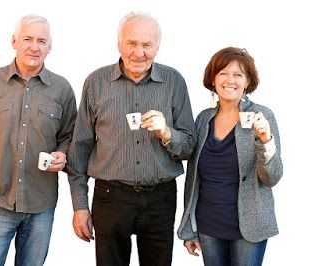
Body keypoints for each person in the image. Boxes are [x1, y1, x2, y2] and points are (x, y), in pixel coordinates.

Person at [67, 12, 195, 266]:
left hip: (160, 198)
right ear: (119, 44)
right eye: (132, 43)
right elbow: (79, 149)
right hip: (110, 197)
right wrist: (80, 206)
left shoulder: (174, 82)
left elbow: (189, 146)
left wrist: (166, 133)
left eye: (147, 45)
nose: (139, 53)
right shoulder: (96, 82)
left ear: (158, 46)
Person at [0, 15, 77, 266]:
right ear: (14, 41)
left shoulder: (62, 89)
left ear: (50, 47)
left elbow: (69, 136)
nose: (34, 46)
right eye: (27, 39)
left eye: (41, 41)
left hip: (41, 204)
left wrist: (62, 155)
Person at [177, 47, 283, 266]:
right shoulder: (203, 119)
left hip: (249, 227)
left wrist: (265, 140)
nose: (230, 80)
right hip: (209, 225)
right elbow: (193, 179)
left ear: (247, 82)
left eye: (238, 74)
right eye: (223, 73)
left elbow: (271, 177)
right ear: (213, 79)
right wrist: (189, 226)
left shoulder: (261, 116)